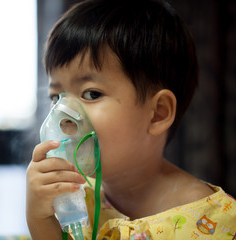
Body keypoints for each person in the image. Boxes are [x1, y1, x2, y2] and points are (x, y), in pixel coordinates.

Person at [26, 0, 236, 239]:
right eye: (56, 97)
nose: (63, 115)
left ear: (158, 113)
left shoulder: (212, 223)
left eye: (91, 94)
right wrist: (39, 219)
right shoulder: (75, 196)